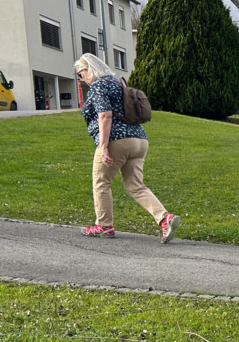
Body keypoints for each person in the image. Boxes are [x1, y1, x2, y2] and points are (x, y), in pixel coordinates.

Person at [75, 53, 178, 243]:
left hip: (117, 140)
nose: (81, 78)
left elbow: (105, 115)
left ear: (88, 69)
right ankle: (165, 219)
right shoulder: (117, 83)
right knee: (135, 185)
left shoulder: (98, 86)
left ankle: (104, 226)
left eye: (80, 73)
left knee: (101, 182)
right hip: (139, 140)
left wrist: (103, 147)